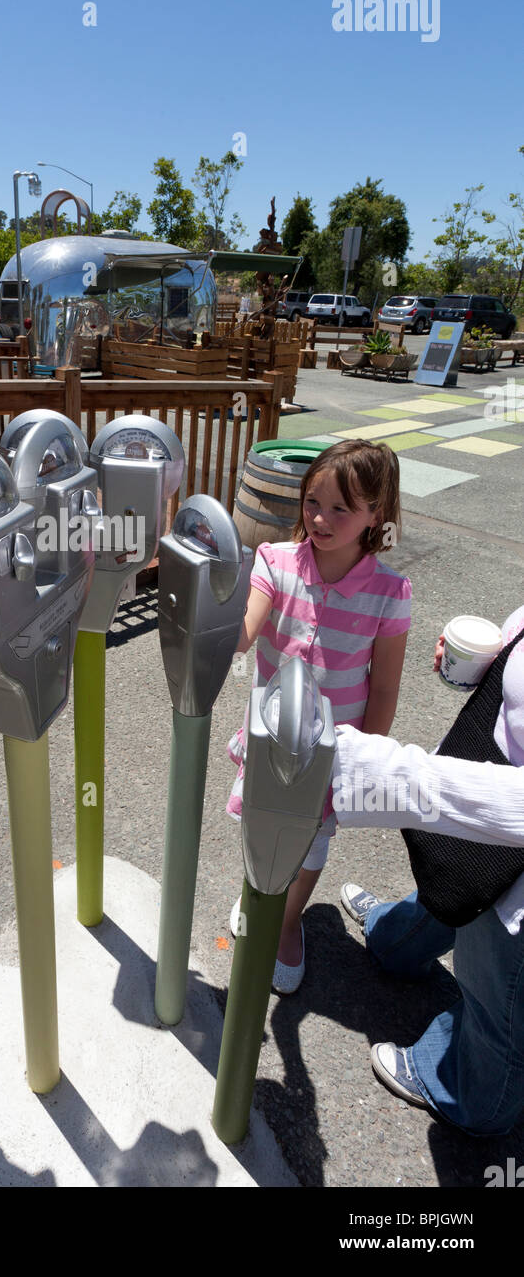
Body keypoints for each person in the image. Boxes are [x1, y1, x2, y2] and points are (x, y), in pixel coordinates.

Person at [227, 440, 412, 991]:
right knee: (261, 821)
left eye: (341, 508)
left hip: (335, 751)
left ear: (376, 514)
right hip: (270, 739)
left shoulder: (390, 593)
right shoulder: (275, 561)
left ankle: (286, 923)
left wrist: (364, 758)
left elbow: (384, 688)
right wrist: (202, 604)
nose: (320, 519)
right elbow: (244, 634)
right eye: (313, 502)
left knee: (312, 842)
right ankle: (257, 896)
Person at [337, 605, 524, 1134]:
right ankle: (392, 942)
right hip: (477, 809)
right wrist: (484, 664)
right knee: (443, 892)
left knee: (499, 1000)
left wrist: (373, 773)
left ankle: (465, 1092)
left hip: (509, 851)